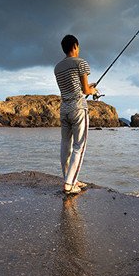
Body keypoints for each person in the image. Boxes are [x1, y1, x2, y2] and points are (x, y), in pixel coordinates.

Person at [54, 34, 98, 195]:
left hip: (64, 109)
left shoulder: (57, 68)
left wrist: (86, 88)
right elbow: (86, 91)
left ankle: (70, 178)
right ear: (74, 46)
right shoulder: (81, 63)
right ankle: (69, 184)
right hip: (78, 109)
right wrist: (92, 90)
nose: (79, 50)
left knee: (65, 145)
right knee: (79, 146)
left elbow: (72, 87)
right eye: (78, 47)